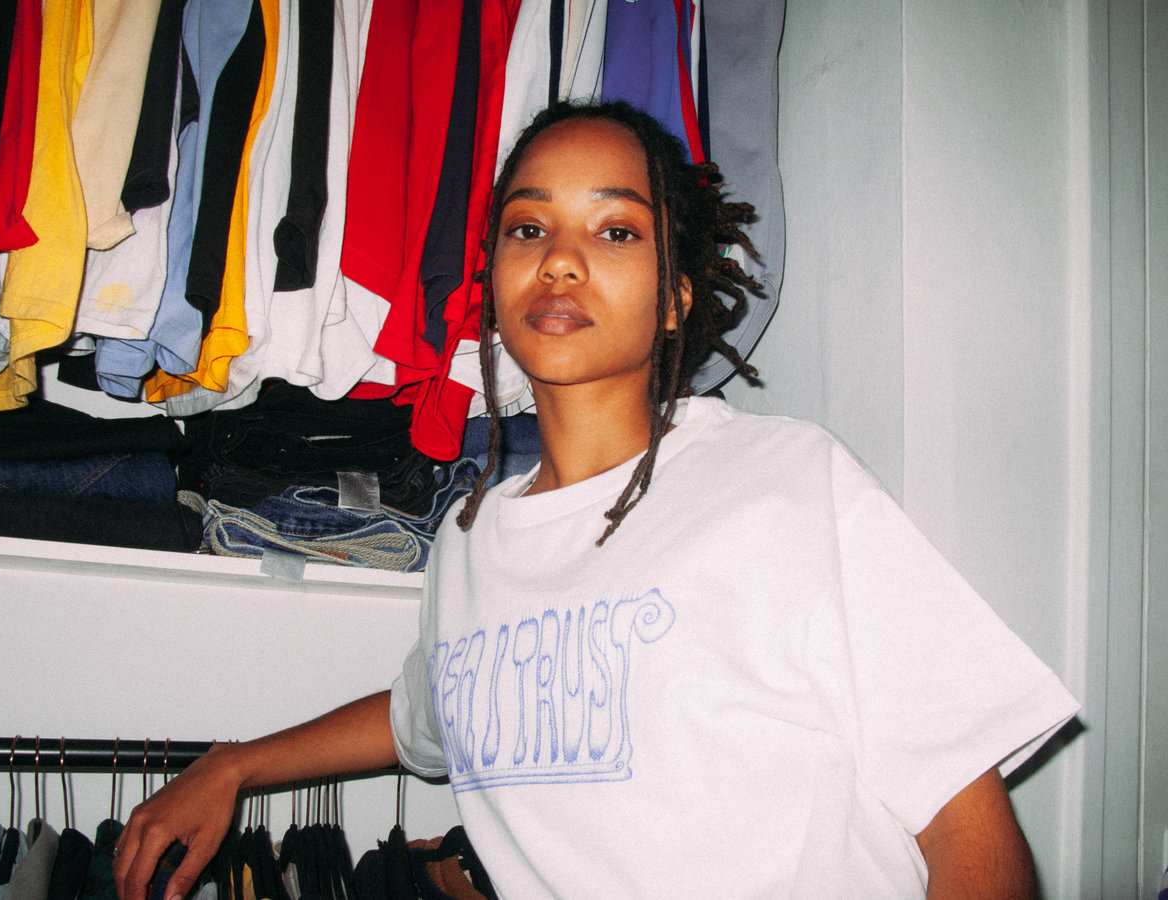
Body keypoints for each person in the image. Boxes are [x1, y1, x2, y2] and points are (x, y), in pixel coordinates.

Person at [112, 101, 1079, 899]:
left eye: (616, 230)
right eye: (528, 229)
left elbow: (970, 834)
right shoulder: (469, 539)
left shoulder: (787, 484)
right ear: (493, 281)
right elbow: (426, 712)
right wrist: (233, 765)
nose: (561, 260)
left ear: (676, 296)